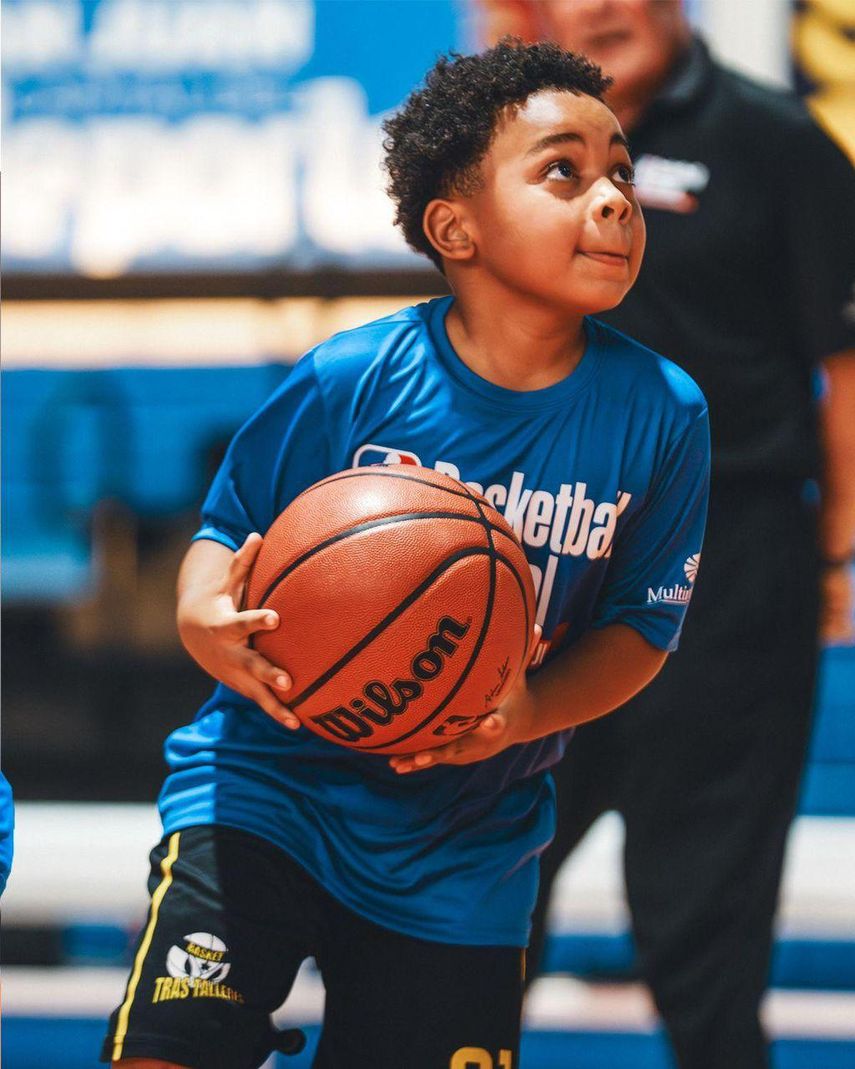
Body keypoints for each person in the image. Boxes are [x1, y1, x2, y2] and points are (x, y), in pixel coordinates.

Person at [101, 41, 711, 1069]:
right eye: (563, 171)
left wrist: (526, 710)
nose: (611, 198)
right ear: (454, 226)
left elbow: (641, 631)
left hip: (465, 845)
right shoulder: (353, 377)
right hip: (268, 792)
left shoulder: (664, 413)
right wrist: (204, 618)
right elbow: (223, 539)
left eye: (621, 171)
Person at [484, 5, 855, 1069]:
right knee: (477, 902)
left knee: (704, 930)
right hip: (538, 563)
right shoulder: (501, 146)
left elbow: (846, 368)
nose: (601, 8)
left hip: (730, 565)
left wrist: (830, 553)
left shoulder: (776, 143)